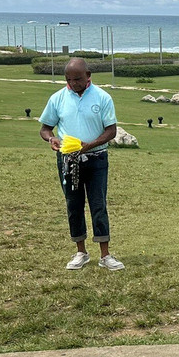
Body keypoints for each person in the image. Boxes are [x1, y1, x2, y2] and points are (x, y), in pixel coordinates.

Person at [39, 58, 124, 271]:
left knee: (98, 205)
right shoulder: (58, 98)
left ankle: (105, 255)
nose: (73, 83)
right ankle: (81, 252)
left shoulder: (102, 97)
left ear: (88, 75)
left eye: (77, 79)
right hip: (69, 160)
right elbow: (45, 128)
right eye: (68, 79)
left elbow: (111, 131)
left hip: (96, 159)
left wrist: (90, 145)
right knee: (73, 205)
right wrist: (51, 139)